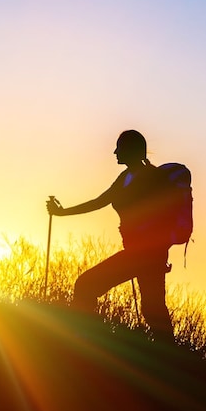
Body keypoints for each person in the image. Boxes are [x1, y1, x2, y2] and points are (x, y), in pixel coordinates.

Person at [47, 130, 174, 341]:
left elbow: (162, 213)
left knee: (86, 285)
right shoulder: (126, 177)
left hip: (147, 254)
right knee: (153, 310)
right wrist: (62, 212)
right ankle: (173, 356)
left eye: (119, 147)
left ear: (131, 150)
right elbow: (100, 201)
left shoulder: (151, 177)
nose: (115, 152)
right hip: (140, 253)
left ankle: (85, 339)